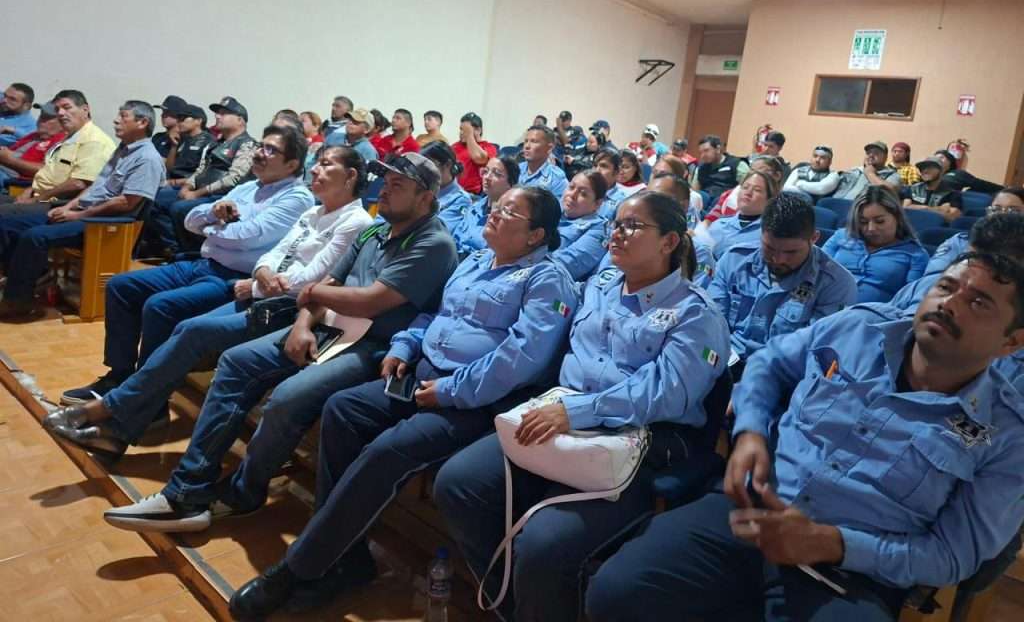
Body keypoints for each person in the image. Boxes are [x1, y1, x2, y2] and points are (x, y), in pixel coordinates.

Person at [587, 252, 1024, 622]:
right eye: (946, 286)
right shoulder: (858, 328)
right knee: (616, 591)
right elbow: (769, 364)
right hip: (751, 511)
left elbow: (951, 556)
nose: (950, 304)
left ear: (1012, 342)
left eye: (979, 302)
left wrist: (832, 543)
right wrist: (751, 432)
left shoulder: (1007, 434)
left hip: (851, 572)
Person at [226, 186, 577, 617]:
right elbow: (435, 315)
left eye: (510, 212)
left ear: (536, 235)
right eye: (497, 206)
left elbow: (519, 358)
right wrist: (405, 345)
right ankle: (346, 558)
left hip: (474, 402)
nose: (495, 212)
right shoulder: (478, 260)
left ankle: (300, 567)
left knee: (387, 451)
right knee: (343, 410)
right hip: (421, 375)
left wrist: (450, 390)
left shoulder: (547, 280)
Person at [102, 152, 459, 531]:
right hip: (328, 327)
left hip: (375, 347)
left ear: (425, 197)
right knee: (236, 361)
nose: (383, 191)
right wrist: (303, 323)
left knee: (288, 397)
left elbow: (370, 301)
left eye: (396, 185)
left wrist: (312, 294)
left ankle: (245, 491)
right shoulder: (376, 229)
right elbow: (332, 283)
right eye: (385, 182)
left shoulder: (434, 243)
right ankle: (187, 489)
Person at [435, 191, 731, 622]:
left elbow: (663, 393)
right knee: (459, 483)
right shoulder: (600, 287)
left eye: (633, 226)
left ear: (669, 242)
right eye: (616, 223)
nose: (617, 233)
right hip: (563, 415)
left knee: (544, 543)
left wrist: (577, 412)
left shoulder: (694, 314)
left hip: (638, 439)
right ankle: (510, 603)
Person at [44, 146, 374, 456]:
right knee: (184, 326)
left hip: (291, 310)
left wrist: (254, 286)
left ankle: (110, 410)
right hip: (262, 294)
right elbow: (271, 256)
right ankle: (121, 425)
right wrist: (260, 274)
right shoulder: (314, 212)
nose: (315, 169)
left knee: (192, 330)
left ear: (350, 177)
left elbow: (311, 279)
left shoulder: (356, 221)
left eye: (326, 164)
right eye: (317, 162)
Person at [59, 125, 313, 403]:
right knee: (122, 285)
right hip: (204, 264)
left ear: (292, 164)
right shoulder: (248, 187)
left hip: (235, 278)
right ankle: (119, 375)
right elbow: (191, 220)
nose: (259, 153)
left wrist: (210, 227)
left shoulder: (297, 197)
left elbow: (246, 237)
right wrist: (213, 214)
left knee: (160, 306)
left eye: (271, 150)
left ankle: (144, 399)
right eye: (261, 146)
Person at [0, 101, 165, 319]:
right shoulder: (123, 150)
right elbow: (96, 187)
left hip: (104, 224)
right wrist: (69, 205)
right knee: (9, 218)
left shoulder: (147, 158)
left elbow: (126, 203)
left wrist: (77, 215)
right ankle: (19, 280)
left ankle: (19, 301)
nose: (116, 120)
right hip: (83, 211)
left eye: (123, 116)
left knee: (34, 236)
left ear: (142, 123)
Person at [709, 193, 857, 374]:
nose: (778, 259)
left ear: (814, 238)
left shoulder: (836, 283)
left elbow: (814, 352)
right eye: (769, 248)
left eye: (791, 252)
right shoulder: (734, 260)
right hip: (726, 359)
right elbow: (712, 322)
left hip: (780, 374)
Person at [144, 96, 256, 254]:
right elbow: (200, 169)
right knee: (153, 200)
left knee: (179, 208)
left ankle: (191, 253)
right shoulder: (215, 144)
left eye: (224, 113)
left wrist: (197, 193)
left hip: (223, 196)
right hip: (200, 191)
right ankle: (174, 248)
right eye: (217, 113)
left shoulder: (247, 144)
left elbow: (234, 178)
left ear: (240, 120)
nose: (217, 116)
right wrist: (187, 186)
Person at [890, 207, 1024, 312]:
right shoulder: (931, 282)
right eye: (969, 258)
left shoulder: (1012, 308)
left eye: (977, 303)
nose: (947, 304)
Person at [0, 89, 115, 209]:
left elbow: (78, 184)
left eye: (67, 107)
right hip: (38, 195)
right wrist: (31, 190)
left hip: (59, 205)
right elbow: (49, 175)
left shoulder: (94, 141)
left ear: (85, 109)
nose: (60, 113)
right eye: (57, 109)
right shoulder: (69, 138)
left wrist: (36, 199)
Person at [822, 185, 928, 303]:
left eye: (880, 221)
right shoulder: (841, 236)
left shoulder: (915, 254)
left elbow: (909, 301)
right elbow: (815, 270)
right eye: (863, 222)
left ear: (897, 217)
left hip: (872, 313)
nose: (871, 228)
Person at [697, 169, 778, 262]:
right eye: (745, 187)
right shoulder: (718, 225)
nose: (748, 193)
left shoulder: (770, 233)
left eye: (757, 190)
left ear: (769, 199)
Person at [452, 155, 518, 257]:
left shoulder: (509, 218)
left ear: (511, 183)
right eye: (486, 171)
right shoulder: (474, 207)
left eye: (496, 174)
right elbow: (456, 238)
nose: (487, 177)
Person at [551, 169, 608, 280]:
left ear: (597, 203)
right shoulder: (552, 210)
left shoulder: (599, 229)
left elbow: (566, 266)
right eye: (571, 187)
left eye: (583, 194)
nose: (572, 195)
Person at [702, 155, 784, 226]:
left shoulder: (782, 204)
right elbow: (710, 219)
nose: (755, 174)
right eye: (752, 170)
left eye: (761, 170)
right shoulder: (730, 194)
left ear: (777, 175)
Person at [0, 106, 66, 191]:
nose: (40, 120)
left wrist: (10, 160)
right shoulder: (34, 136)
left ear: (62, 124)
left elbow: (48, 172)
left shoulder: (62, 142)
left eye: (47, 118)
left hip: (19, 184)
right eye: (41, 116)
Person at [420, 141, 471, 232]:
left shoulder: (460, 199)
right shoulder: (422, 188)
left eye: (430, 167)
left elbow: (438, 231)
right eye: (422, 168)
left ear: (448, 165)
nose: (425, 173)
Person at [832, 141, 902, 200]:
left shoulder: (892, 175)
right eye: (868, 153)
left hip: (860, 209)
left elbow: (890, 191)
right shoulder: (855, 171)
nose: (871, 155)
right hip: (836, 203)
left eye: (876, 153)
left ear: (885, 157)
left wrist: (870, 174)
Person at [902, 155, 962, 222]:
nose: (925, 170)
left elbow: (952, 217)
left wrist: (915, 207)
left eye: (930, 167)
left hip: (936, 227)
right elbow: (905, 209)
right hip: (911, 224)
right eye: (923, 168)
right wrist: (930, 208)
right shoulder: (913, 189)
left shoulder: (952, 194)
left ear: (941, 171)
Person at [693, 134, 749, 205]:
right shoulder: (701, 168)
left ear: (718, 149)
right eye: (701, 152)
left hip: (726, 202)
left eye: (706, 151)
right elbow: (695, 191)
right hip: (705, 201)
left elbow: (746, 188)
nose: (703, 155)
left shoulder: (737, 164)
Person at [453, 112, 497, 196]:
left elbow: (478, 158)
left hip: (472, 195)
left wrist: (469, 136)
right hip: (453, 192)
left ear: (478, 130)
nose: (461, 133)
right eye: (461, 129)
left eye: (465, 130)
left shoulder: (488, 147)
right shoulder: (455, 146)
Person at [651, 155, 702, 226]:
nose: (656, 177)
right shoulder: (643, 196)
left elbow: (689, 228)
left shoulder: (688, 201)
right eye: (654, 172)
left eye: (663, 174)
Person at [519, 125, 568, 198]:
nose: (527, 146)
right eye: (526, 141)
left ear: (549, 148)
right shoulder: (515, 169)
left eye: (534, 141)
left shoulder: (557, 179)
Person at [933, 149, 1003, 194]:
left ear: (950, 162)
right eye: (935, 158)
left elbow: (980, 184)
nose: (938, 160)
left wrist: (1004, 190)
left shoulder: (957, 174)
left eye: (941, 157)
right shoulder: (930, 175)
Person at [0, 82, 37, 147]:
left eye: (12, 99)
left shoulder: (30, 126)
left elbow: (34, 141)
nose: (4, 100)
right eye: (5, 95)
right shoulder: (4, 106)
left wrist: (13, 131)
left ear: (26, 106)